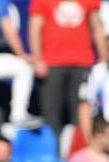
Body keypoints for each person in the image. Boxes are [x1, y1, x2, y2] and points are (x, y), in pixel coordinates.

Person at [29, 0, 105, 134]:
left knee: (81, 114)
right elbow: (35, 28)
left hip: (83, 63)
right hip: (51, 64)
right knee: (51, 113)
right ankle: (53, 146)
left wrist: (103, 57)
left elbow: (97, 26)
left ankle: (79, 146)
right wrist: (37, 59)